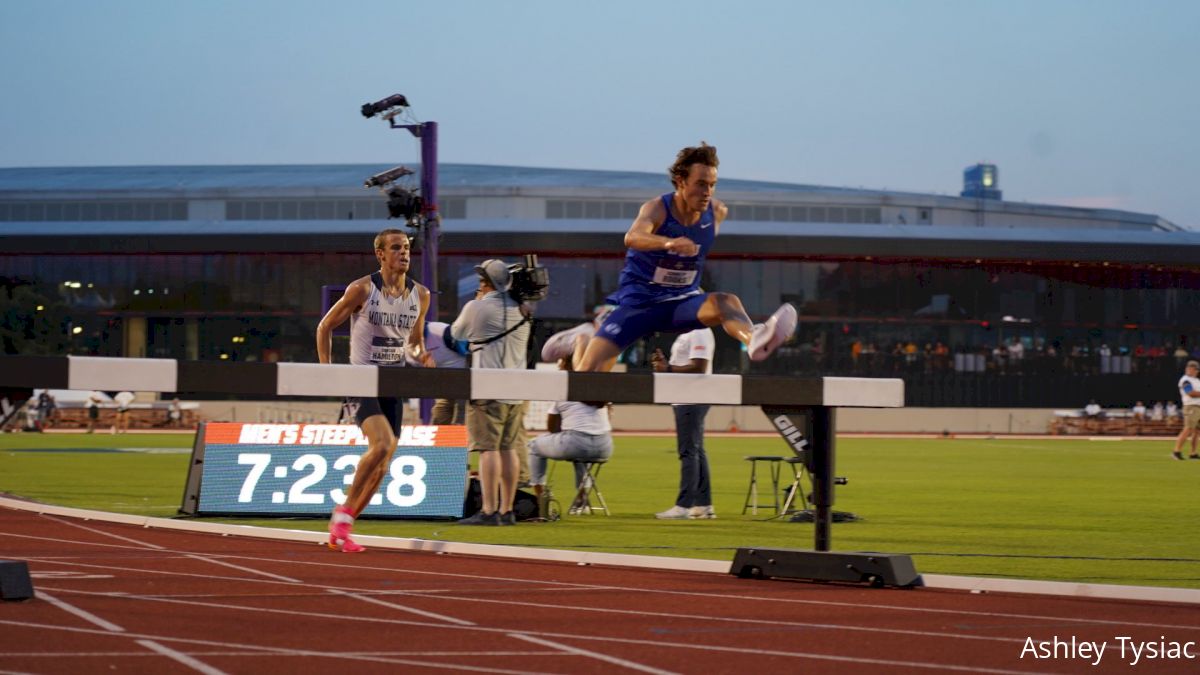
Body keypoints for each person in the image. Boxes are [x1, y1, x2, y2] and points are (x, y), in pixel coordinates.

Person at [575, 142, 796, 373]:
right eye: (700, 184)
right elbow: (632, 237)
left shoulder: (717, 212)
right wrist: (668, 242)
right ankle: (578, 342)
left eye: (712, 185)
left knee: (726, 302)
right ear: (681, 182)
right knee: (588, 382)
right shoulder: (657, 208)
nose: (707, 192)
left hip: (679, 303)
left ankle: (754, 339)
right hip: (638, 305)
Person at [318, 229, 434, 553]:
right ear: (380, 255)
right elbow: (325, 326)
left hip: (393, 382)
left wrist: (422, 355)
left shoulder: (421, 295)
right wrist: (326, 371)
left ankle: (345, 524)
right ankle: (341, 515)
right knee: (382, 443)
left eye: (408, 247)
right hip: (360, 379)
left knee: (385, 460)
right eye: (396, 248)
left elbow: (414, 341)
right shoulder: (363, 289)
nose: (404, 253)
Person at [451, 258, 532, 526]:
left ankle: (488, 510)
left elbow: (456, 333)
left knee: (488, 450)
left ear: (486, 283)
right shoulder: (523, 311)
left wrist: (476, 302)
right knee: (509, 450)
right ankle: (507, 510)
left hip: (487, 391)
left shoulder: (477, 307)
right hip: (516, 392)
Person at [527, 332, 613, 512]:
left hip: (576, 442)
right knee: (580, 457)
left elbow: (552, 428)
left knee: (533, 446)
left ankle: (540, 497)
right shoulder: (598, 385)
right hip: (605, 445)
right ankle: (582, 500)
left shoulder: (563, 388)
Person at [652, 328, 717, 519]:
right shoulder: (688, 332)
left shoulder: (699, 331)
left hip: (692, 398)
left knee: (688, 451)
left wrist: (668, 369)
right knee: (696, 451)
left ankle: (684, 506)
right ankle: (704, 505)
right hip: (686, 397)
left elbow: (699, 367)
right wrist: (667, 366)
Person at [424, 321, 469, 425]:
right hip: (443, 386)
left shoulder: (442, 332)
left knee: (460, 417)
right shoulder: (403, 340)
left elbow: (470, 352)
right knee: (439, 416)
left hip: (463, 381)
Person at [1173, 361, 1200, 460]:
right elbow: (1190, 392)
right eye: (1188, 368)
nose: (1189, 369)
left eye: (1192, 368)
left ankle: (1193, 453)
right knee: (1188, 428)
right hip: (1191, 406)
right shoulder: (1185, 380)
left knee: (1197, 431)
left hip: (1198, 406)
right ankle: (1176, 451)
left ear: (1196, 370)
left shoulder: (1196, 380)